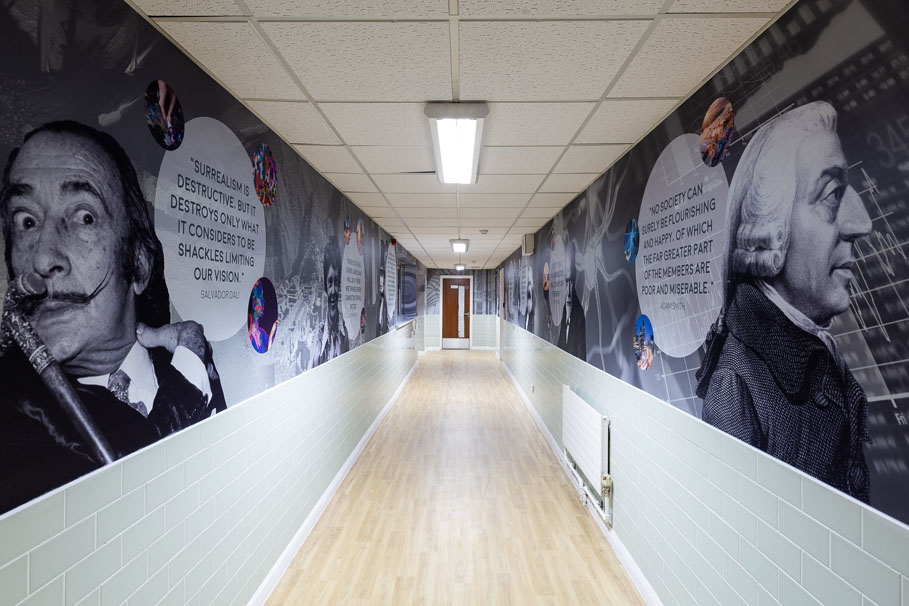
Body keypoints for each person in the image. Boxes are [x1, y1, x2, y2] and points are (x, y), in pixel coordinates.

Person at [0, 120, 226, 513]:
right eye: (26, 221)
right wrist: (189, 370)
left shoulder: (182, 364)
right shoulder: (13, 414)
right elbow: (141, 508)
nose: (42, 258)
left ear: (138, 266)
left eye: (84, 218)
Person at [695, 101, 873, 502]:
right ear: (770, 229)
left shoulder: (818, 357)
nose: (861, 223)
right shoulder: (736, 386)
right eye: (831, 194)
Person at [311, 236, 349, 367]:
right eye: (330, 282)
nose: (333, 290)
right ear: (325, 286)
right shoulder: (318, 337)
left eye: (336, 282)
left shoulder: (344, 333)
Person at [557, 242, 586, 361]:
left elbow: (581, 354)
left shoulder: (578, 314)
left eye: (571, 282)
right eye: (566, 282)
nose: (568, 291)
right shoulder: (566, 308)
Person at [376, 266, 388, 337]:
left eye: (382, 284)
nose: (381, 286)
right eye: (379, 284)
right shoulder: (375, 303)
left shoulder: (385, 301)